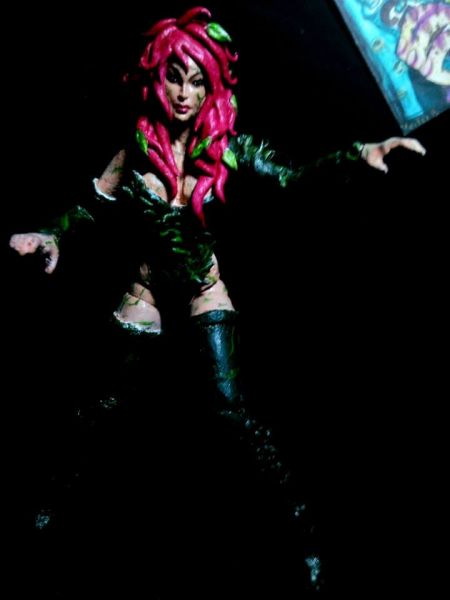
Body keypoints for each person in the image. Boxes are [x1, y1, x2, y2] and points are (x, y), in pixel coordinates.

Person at [9, 6, 426, 593]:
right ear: (157, 77)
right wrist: (52, 234)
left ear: (212, 86)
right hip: (146, 289)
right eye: (175, 78)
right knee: (101, 406)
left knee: (234, 415)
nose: (184, 93)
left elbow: (290, 177)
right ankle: (45, 515)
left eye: (197, 81)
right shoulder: (136, 146)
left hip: (204, 288)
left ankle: (303, 536)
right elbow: (93, 206)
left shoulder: (225, 149)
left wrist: (358, 154)